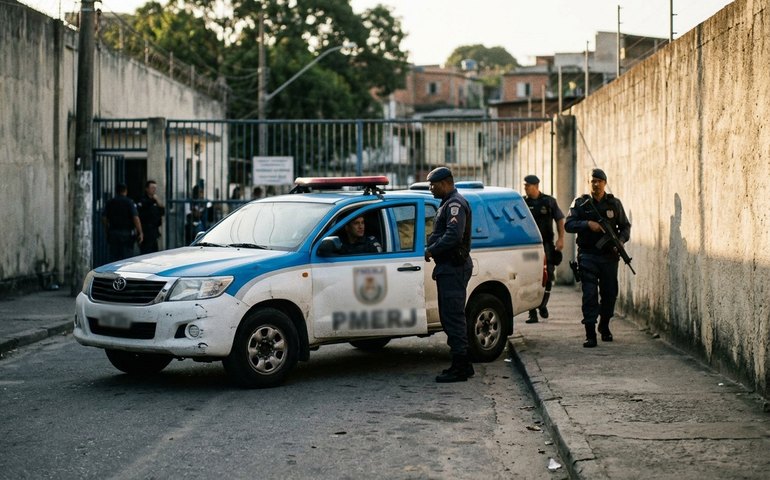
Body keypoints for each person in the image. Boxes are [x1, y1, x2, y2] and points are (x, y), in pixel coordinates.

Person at [565, 168, 631, 348]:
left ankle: (604, 325)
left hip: (609, 257)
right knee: (589, 295)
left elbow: (625, 226)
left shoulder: (614, 204)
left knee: (610, 294)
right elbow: (568, 225)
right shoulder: (580, 203)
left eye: (599, 181)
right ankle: (590, 333)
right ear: (589, 183)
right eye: (592, 181)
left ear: (605, 183)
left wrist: (621, 241)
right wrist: (587, 224)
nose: (596, 184)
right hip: (588, 256)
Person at [424, 166, 474, 383]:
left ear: (445, 183)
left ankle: (460, 367)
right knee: (449, 316)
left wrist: (432, 249)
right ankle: (464, 364)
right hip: (448, 267)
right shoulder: (446, 203)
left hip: (454, 266)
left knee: (453, 317)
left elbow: (453, 236)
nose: (430, 188)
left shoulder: (454, 204)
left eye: (433, 184)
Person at [523, 174, 565, 324]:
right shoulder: (523, 202)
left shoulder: (549, 201)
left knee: (548, 276)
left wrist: (561, 238)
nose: (525, 188)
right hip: (529, 246)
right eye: (525, 185)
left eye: (527, 185)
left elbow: (560, 219)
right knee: (530, 277)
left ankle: (543, 304)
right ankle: (532, 312)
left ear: (536, 186)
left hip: (546, 245)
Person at [102, 183, 142, 263]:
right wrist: (140, 232)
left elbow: (104, 218)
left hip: (114, 232)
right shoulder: (129, 202)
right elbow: (135, 218)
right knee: (126, 259)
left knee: (114, 258)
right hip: (126, 233)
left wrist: (107, 229)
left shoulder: (110, 202)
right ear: (125, 191)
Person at [136, 180, 165, 254]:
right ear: (147, 189)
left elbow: (162, 211)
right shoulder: (143, 200)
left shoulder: (155, 200)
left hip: (154, 231)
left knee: (154, 253)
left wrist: (157, 200)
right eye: (152, 188)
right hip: (146, 231)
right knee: (146, 252)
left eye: (155, 188)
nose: (154, 190)